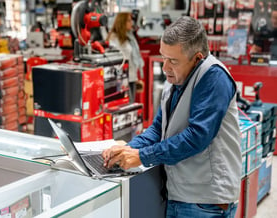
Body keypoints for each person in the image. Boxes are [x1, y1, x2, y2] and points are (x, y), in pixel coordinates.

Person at [102, 16, 242, 218]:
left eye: (173, 61)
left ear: (197, 58)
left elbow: (196, 137)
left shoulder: (214, 78)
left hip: (205, 202)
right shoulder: (177, 78)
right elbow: (159, 129)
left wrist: (141, 156)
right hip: (180, 194)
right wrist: (129, 148)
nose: (165, 67)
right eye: (163, 57)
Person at [106, 12, 144, 103]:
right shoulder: (114, 38)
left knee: (131, 104)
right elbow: (115, 59)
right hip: (122, 79)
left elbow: (133, 57)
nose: (131, 23)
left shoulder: (129, 37)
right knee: (126, 104)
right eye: (129, 21)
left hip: (131, 77)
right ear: (122, 22)